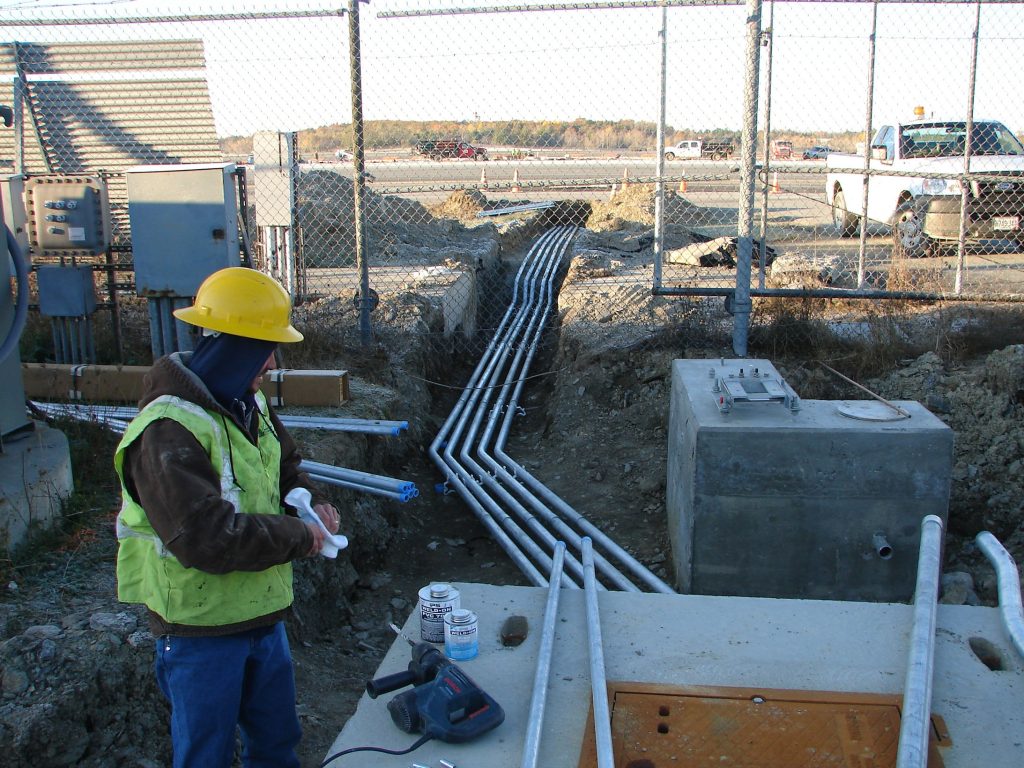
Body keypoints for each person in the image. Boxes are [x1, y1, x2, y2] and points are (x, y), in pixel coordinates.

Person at [114, 266, 340, 768]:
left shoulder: (247, 400)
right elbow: (204, 538)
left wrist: (307, 501)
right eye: (265, 348)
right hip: (200, 631)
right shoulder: (167, 430)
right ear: (236, 346)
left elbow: (285, 468)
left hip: (261, 616)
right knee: (206, 755)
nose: (273, 361)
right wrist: (299, 537)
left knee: (277, 743)